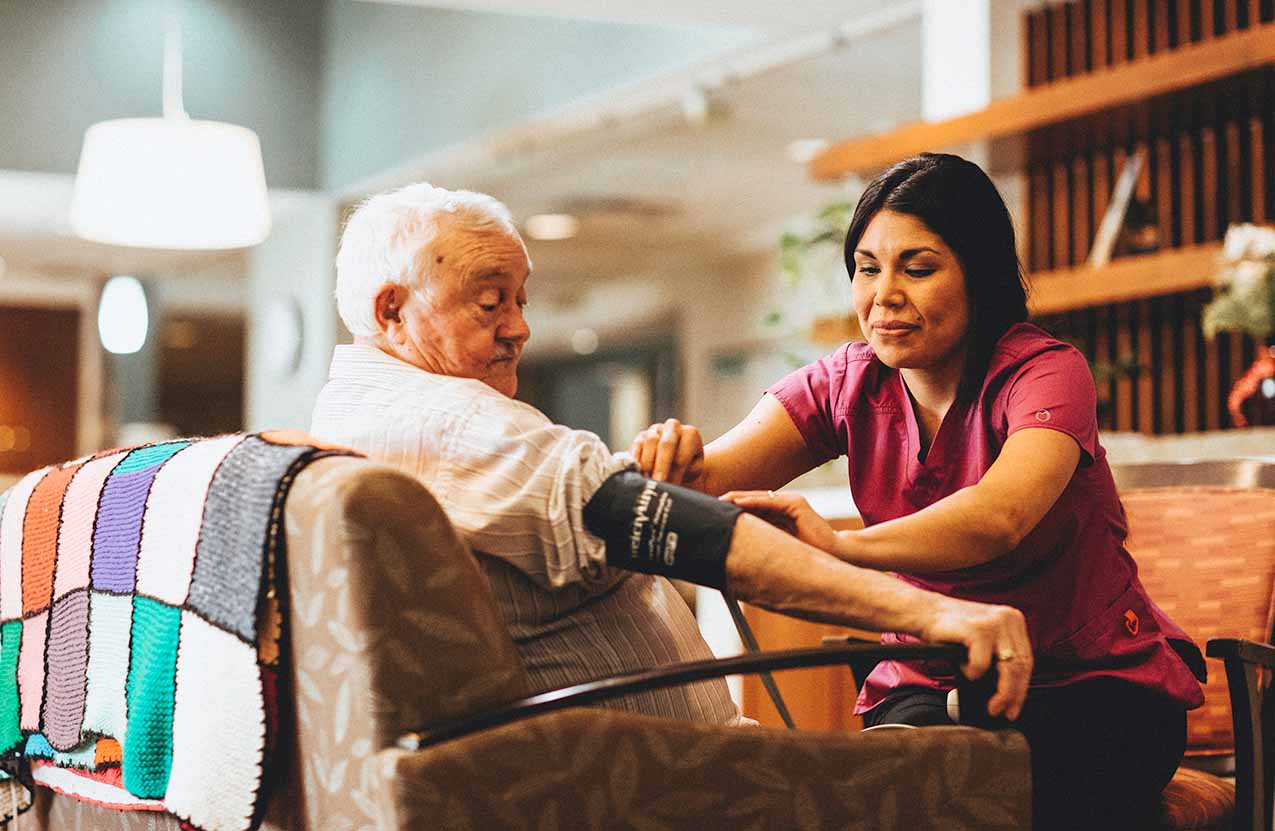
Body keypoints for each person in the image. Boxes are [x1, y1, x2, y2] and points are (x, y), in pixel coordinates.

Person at [310, 181, 1032, 730]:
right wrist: (929, 612)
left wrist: (655, 472)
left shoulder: (353, 417)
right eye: (491, 302)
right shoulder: (452, 422)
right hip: (675, 788)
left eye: (520, 300)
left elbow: (630, 497)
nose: (520, 328)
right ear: (390, 310)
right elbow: (689, 531)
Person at [630, 153, 1205, 829]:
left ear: (980, 274)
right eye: (867, 267)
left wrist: (841, 546)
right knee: (894, 796)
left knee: (998, 796)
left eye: (918, 267)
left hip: (1090, 687)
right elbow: (706, 475)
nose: (883, 294)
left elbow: (997, 517)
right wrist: (669, 452)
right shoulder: (844, 383)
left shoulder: (1046, 373)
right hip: (927, 682)